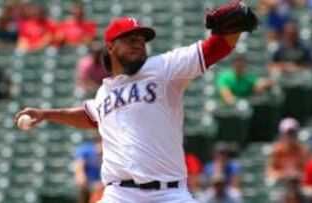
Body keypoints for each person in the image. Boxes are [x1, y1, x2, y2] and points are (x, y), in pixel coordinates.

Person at [14, 7, 253, 200]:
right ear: (110, 47)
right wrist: (47, 114)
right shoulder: (104, 92)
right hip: (119, 194)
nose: (139, 42)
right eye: (130, 38)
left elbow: (215, 48)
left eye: (141, 39)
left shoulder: (163, 68)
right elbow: (89, 117)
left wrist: (235, 28)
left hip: (168, 193)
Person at [266, 117, 308, 182]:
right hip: (280, 183)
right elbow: (269, 172)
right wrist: (285, 174)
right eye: (288, 133)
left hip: (298, 183)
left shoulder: (302, 150)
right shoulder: (277, 150)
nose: (291, 136)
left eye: (293, 133)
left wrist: (296, 174)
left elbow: (307, 172)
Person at [74, 133, 104, 203]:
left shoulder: (109, 152)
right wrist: (85, 183)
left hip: (101, 185)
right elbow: (79, 167)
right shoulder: (86, 149)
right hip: (87, 185)